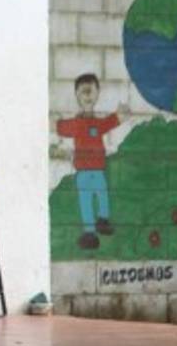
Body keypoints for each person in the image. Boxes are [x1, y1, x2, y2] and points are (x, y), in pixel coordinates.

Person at [55, 74, 130, 250]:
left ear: (97, 94)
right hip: (82, 172)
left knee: (102, 195)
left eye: (91, 91)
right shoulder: (75, 123)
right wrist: (53, 122)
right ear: (77, 96)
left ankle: (102, 220)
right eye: (83, 92)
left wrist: (120, 115)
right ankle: (89, 232)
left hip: (98, 170)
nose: (88, 95)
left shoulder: (97, 123)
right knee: (86, 200)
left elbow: (110, 122)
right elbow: (59, 127)